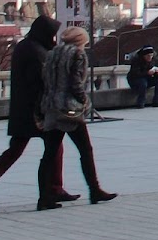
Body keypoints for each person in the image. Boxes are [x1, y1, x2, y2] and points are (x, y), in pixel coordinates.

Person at [0, 15, 79, 210]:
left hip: (23, 109)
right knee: (52, 147)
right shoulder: (36, 51)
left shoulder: (27, 46)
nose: (54, 39)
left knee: (18, 149)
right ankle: (53, 188)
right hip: (35, 110)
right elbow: (40, 81)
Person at [37, 26, 117, 210]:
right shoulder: (77, 55)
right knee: (85, 150)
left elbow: (45, 80)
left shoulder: (52, 54)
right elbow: (75, 84)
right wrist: (85, 102)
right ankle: (94, 189)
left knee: (49, 154)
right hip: (69, 109)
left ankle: (44, 197)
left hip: (52, 107)